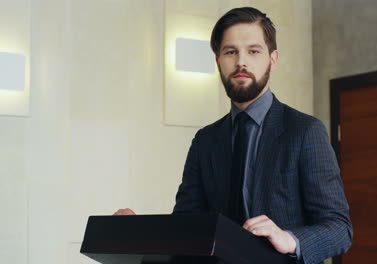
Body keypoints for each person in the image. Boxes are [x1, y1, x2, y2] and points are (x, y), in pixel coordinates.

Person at [115, 7, 352, 264]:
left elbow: (339, 228)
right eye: (230, 52)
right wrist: (139, 232)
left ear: (273, 59)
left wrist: (289, 238)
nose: (241, 62)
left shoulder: (305, 131)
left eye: (253, 51)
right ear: (218, 61)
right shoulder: (204, 141)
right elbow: (187, 225)